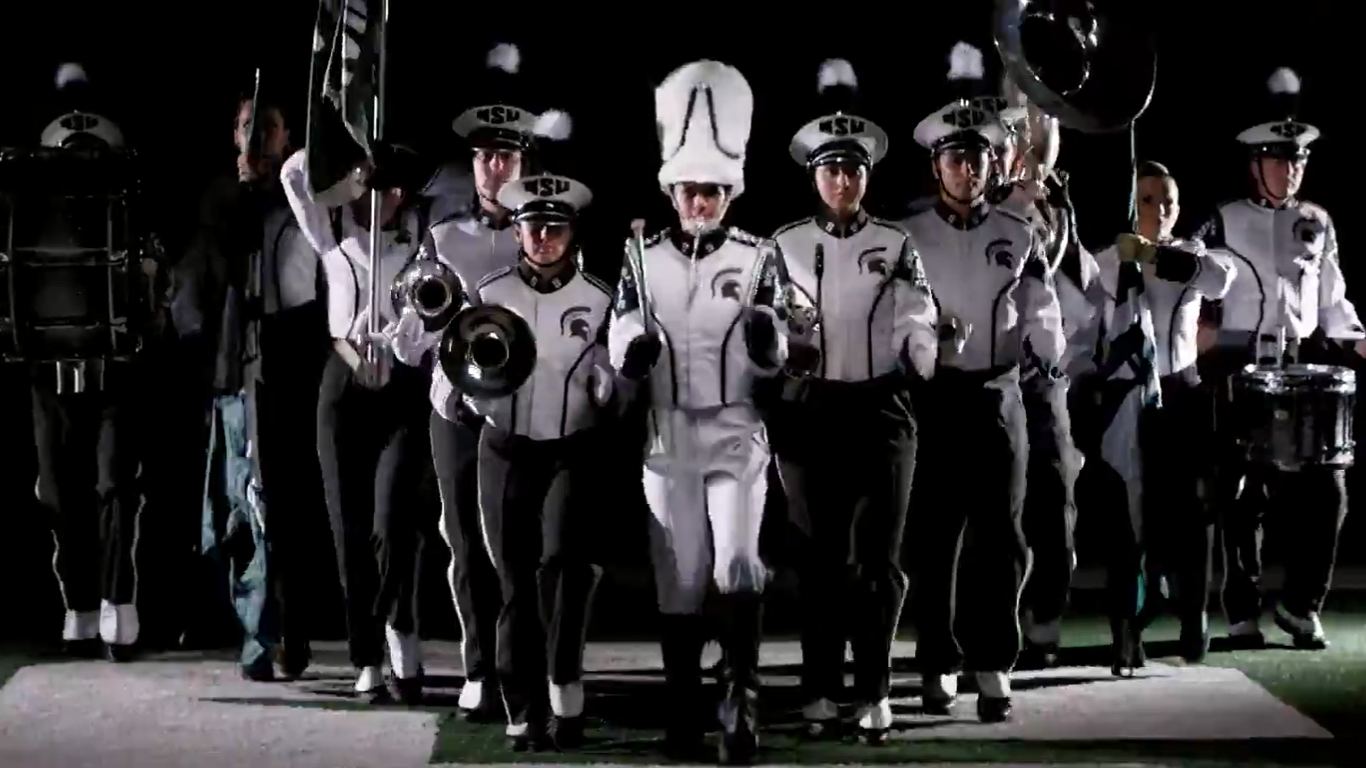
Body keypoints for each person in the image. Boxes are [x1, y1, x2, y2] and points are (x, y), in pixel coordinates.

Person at [607, 60, 784, 764]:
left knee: (737, 564)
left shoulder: (759, 255)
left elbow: (779, 334)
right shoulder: (641, 256)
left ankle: (741, 700)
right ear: (671, 192)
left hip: (736, 432)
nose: (700, 202)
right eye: (690, 190)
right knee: (679, 579)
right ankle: (684, 705)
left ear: (729, 193)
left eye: (712, 191)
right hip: (669, 435)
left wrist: (771, 340)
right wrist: (632, 346)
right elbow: (621, 322)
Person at [395, 42, 574, 721]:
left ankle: (530, 667)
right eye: (484, 157)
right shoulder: (445, 236)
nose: (494, 168)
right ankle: (479, 669)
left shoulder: (546, 233)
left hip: (523, 411)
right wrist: (414, 323)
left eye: (506, 156)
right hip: (457, 410)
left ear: (526, 162)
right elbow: (414, 339)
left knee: (522, 550)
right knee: (464, 543)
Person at [768, 58, 936, 744]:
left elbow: (919, 313)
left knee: (879, 561)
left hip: (881, 410)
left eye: (853, 169)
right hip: (810, 413)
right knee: (817, 560)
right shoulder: (782, 244)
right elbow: (760, 324)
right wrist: (783, 346)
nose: (842, 180)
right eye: (831, 169)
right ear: (814, 175)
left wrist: (922, 343)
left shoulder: (896, 242)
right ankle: (818, 687)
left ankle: (873, 689)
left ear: (867, 175)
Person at [899, 41, 1065, 723]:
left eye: (976, 157)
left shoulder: (1018, 231)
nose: (966, 169)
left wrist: (1048, 349)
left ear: (994, 163)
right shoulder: (907, 235)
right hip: (935, 397)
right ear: (936, 164)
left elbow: (1041, 306)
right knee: (933, 536)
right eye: (954, 158)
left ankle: (993, 661)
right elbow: (896, 311)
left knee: (1002, 534)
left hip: (999, 394)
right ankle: (937, 660)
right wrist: (924, 335)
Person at [431, 174, 610, 751]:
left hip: (569, 449)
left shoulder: (599, 298)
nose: (544, 238)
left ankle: (565, 693)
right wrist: (457, 397)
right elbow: (448, 370)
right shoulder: (489, 292)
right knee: (514, 580)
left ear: (572, 233)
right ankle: (523, 708)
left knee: (564, 569)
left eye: (555, 228)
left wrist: (609, 380)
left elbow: (612, 369)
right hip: (505, 448)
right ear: (518, 231)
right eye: (534, 227)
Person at [1194, 67, 1363, 651]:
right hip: (1239, 363)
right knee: (1241, 493)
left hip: (1300, 367)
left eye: (1297, 160)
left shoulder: (1318, 221)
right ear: (1255, 163)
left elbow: (1333, 300)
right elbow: (1197, 288)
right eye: (1278, 159)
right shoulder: (1224, 218)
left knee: (1329, 490)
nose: (1289, 170)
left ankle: (1301, 605)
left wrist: (1359, 340)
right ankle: (1241, 608)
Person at [172, 90, 323, 680]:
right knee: (239, 509)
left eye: (269, 127)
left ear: (287, 137)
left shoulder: (302, 197)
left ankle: (289, 629)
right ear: (233, 136)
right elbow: (209, 273)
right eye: (246, 126)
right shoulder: (221, 200)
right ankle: (257, 631)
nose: (257, 137)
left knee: (284, 508)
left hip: (290, 373)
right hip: (234, 374)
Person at [280, 142, 434, 703]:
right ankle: (365, 656)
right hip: (345, 379)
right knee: (347, 525)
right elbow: (293, 174)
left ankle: (401, 626)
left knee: (393, 523)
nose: (376, 196)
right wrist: (341, 141)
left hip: (402, 383)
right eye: (369, 184)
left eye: (386, 186)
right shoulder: (332, 229)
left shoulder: (423, 235)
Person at [1084, 161, 1236, 666]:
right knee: (1129, 515)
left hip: (1181, 390)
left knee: (1193, 512)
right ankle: (1128, 625)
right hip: (1129, 395)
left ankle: (1194, 615)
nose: (1161, 209)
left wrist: (1149, 254)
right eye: (1147, 200)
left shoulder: (1192, 254)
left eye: (1168, 199)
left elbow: (1218, 281)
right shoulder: (1108, 260)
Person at [26, 63, 154, 662]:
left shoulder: (128, 212)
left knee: (114, 485)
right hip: (49, 365)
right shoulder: (30, 217)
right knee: (57, 491)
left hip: (114, 367)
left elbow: (156, 283)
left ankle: (116, 598)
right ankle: (78, 599)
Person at [986, 76, 1088, 668]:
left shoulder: (1054, 208)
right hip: (994, 376)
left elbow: (1083, 287)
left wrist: (1055, 213)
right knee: (999, 511)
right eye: (1014, 141)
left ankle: (1045, 617)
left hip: (1045, 378)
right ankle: (991, 627)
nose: (1025, 149)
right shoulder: (981, 211)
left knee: (1055, 499)